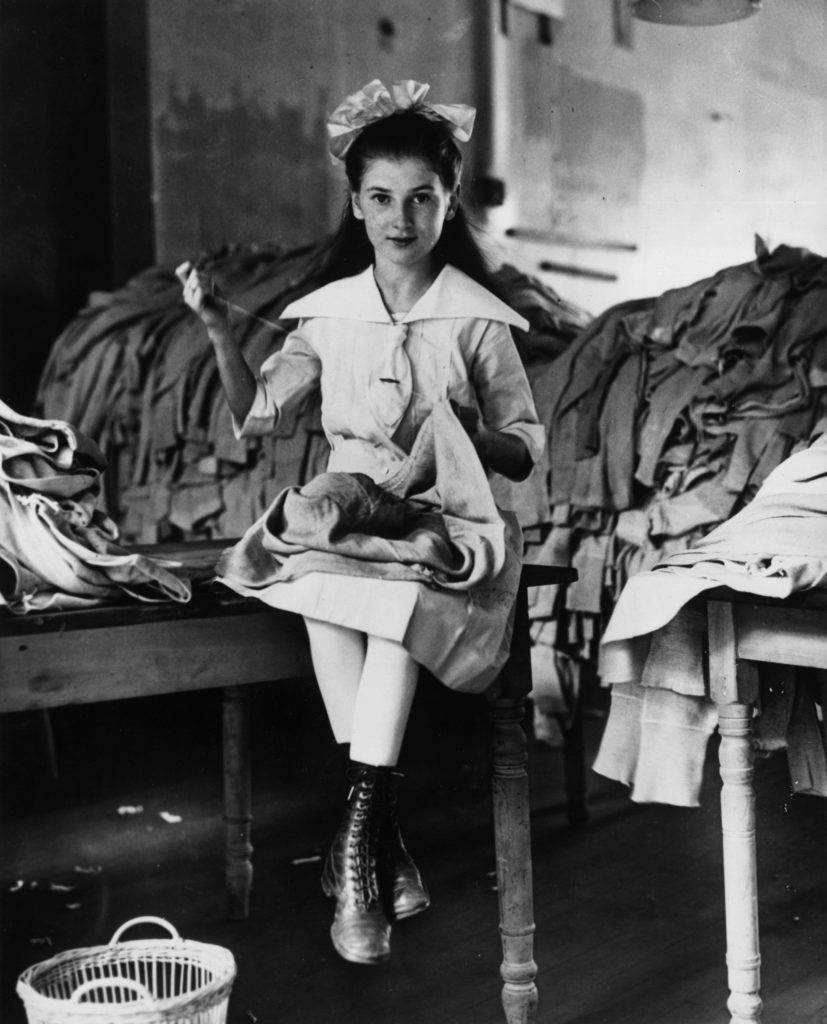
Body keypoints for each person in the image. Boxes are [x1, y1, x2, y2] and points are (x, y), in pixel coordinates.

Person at [177, 78, 545, 966]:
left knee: (392, 613)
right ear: (355, 203)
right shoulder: (327, 312)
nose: (400, 217)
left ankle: (358, 844)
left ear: (448, 202)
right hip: (350, 513)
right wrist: (223, 333)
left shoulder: (477, 321)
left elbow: (525, 451)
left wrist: (464, 422)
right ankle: (374, 841)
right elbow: (259, 413)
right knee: (312, 581)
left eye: (422, 197)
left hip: (445, 521)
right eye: (381, 198)